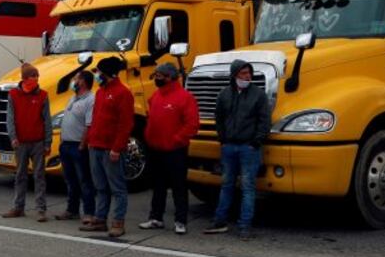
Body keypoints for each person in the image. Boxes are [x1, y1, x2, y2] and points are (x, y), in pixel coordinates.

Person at [204, 59, 270, 239]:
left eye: (249, 73)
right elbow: (219, 118)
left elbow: (264, 121)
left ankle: (244, 226)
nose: (247, 76)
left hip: (249, 148)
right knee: (226, 185)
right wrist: (223, 140)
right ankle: (220, 222)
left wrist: (256, 142)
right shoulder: (224, 94)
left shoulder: (258, 95)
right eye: (243, 73)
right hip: (229, 146)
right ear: (234, 75)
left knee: (248, 187)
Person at [138, 63, 199, 235]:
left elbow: (192, 124)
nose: (156, 78)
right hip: (155, 148)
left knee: (179, 186)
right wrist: (149, 136)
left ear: (169, 77)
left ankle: (180, 221)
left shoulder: (185, 97)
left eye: (159, 76)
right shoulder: (156, 95)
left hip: (175, 150)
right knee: (158, 186)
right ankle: (156, 218)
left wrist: (176, 140)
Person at [80, 57, 134, 237]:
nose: (96, 75)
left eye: (99, 72)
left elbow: (125, 124)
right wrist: (89, 140)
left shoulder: (123, 93)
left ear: (108, 73)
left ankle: (118, 222)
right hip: (95, 146)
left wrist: (117, 148)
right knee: (100, 186)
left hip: (110, 149)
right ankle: (100, 219)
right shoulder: (100, 92)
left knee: (117, 188)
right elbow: (95, 118)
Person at [2, 63, 52, 222]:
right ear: (24, 78)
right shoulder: (13, 95)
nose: (36, 79)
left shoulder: (43, 95)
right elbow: (10, 118)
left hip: (38, 142)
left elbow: (47, 120)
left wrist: (48, 142)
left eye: (37, 76)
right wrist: (13, 137)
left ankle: (41, 209)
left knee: (39, 176)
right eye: (33, 76)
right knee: (20, 175)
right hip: (21, 142)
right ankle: (18, 207)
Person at [54, 70, 96, 224]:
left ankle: (89, 212)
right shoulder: (72, 98)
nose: (73, 81)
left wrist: (82, 144)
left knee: (84, 180)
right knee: (70, 180)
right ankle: (72, 210)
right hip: (66, 145)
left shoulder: (90, 100)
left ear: (83, 82)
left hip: (78, 146)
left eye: (76, 79)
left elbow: (89, 125)